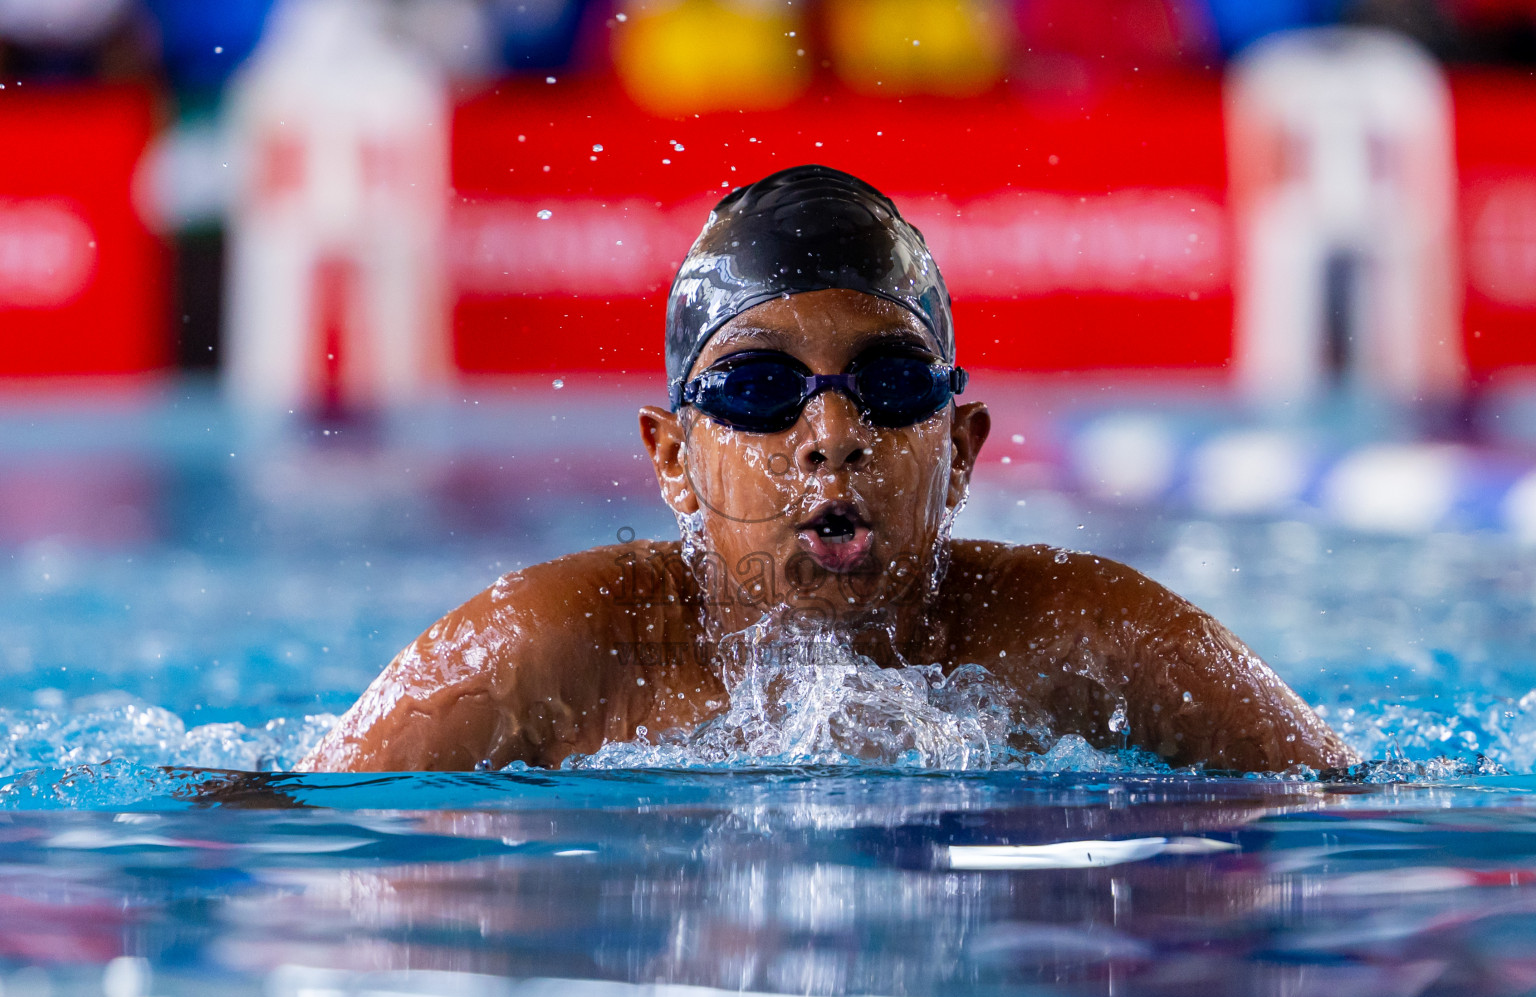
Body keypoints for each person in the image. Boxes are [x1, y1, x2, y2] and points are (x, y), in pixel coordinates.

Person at [298, 165, 1353, 774]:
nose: (833, 430)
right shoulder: (543, 658)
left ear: (963, 448)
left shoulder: (1098, 640)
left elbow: (1346, 811)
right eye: (759, 389)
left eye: (891, 384)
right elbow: (282, 834)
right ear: (672, 457)